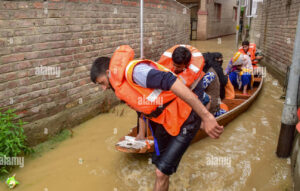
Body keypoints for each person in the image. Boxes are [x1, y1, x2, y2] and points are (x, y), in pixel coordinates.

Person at [90, 45, 223, 191]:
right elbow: (142, 108)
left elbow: (171, 81)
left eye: (102, 83)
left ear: (109, 72)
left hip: (188, 115)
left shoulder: (136, 72)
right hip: (166, 119)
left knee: (161, 172)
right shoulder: (121, 84)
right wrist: (140, 135)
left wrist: (206, 116)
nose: (103, 88)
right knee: (158, 164)